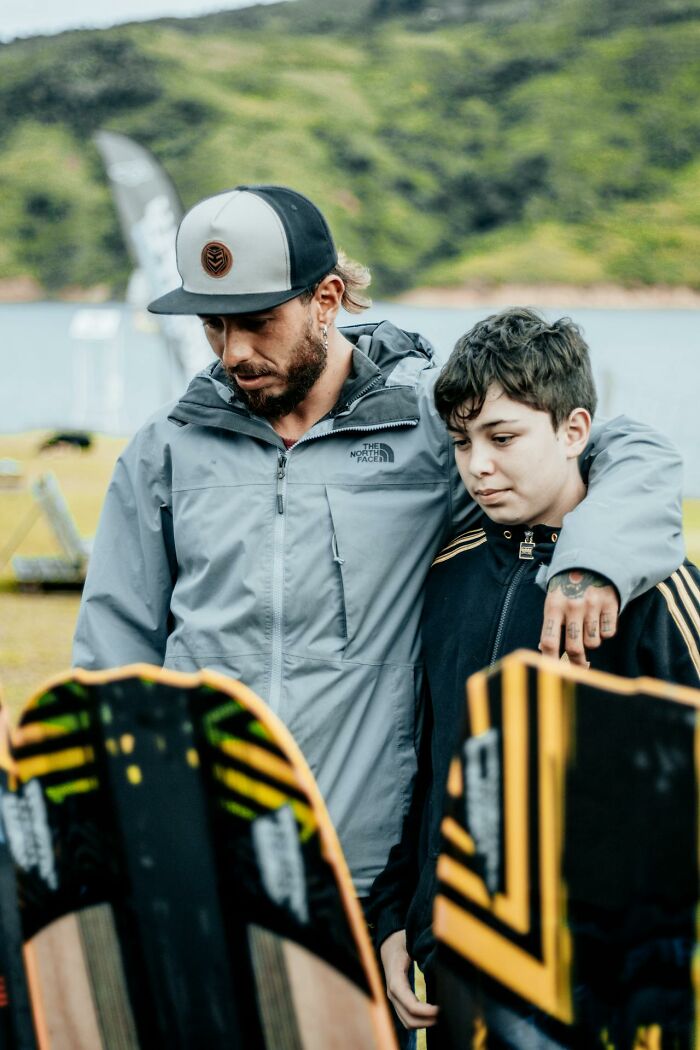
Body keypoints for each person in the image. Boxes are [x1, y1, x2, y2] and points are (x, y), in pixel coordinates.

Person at [73, 186, 684, 908]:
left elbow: (619, 452)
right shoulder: (163, 451)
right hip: (196, 867)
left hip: (359, 876)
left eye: (258, 322)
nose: (234, 352)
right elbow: (112, 660)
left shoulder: (433, 428)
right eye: (214, 326)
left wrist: (591, 563)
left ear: (326, 298)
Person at [372, 307, 699, 1045]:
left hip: (608, 989)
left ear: (574, 431)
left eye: (503, 437)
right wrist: (396, 919)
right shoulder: (446, 574)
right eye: (462, 443)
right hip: (454, 963)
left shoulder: (656, 592)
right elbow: (423, 766)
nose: (477, 466)